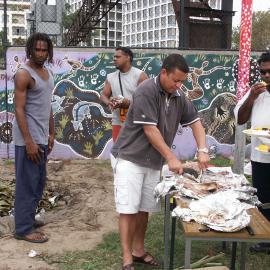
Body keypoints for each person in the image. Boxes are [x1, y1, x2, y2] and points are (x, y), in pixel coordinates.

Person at [111, 54, 209, 270]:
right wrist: (171, 158)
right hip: (130, 157)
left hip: (152, 161)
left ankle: (138, 250)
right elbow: (150, 130)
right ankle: (127, 258)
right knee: (128, 208)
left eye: (182, 81)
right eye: (176, 80)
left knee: (144, 208)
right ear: (163, 72)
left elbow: (196, 123)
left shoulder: (178, 96)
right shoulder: (146, 90)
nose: (179, 85)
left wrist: (202, 150)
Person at [13, 32, 54, 243]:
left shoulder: (47, 72)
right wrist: (28, 141)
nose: (40, 53)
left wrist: (52, 132)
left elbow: (47, 106)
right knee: (27, 183)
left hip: (41, 136)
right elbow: (18, 109)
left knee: (38, 182)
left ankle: (27, 218)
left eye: (44, 49)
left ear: (49, 51)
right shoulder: (24, 74)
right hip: (27, 139)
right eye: (37, 49)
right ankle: (23, 229)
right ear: (30, 49)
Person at [235, 52, 270, 253]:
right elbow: (240, 119)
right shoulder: (255, 93)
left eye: (269, 72)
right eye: (262, 72)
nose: (266, 76)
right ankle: (264, 238)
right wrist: (252, 97)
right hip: (260, 155)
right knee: (262, 197)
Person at [100, 47, 148, 142]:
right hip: (118, 122)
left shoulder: (140, 75)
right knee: (117, 153)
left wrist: (128, 103)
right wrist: (109, 102)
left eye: (118, 57)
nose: (114, 59)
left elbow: (147, 99)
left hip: (137, 122)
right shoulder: (111, 77)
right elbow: (103, 95)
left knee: (135, 152)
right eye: (114, 57)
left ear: (128, 58)